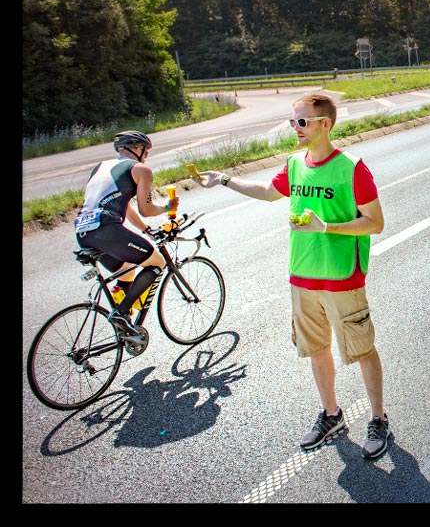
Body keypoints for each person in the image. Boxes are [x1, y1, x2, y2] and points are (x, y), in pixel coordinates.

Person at [197, 93, 392, 459]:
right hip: (302, 276)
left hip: (341, 277)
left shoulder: (352, 167)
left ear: (325, 124)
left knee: (362, 350)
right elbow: (269, 192)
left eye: (302, 122)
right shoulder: (295, 163)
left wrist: (327, 226)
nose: (296, 128)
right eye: (293, 121)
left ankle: (379, 419)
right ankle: (332, 415)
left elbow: (375, 223)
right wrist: (225, 180)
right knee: (315, 349)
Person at [74, 130, 179, 339]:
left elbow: (127, 208)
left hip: (83, 232)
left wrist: (145, 230)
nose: (146, 156)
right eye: (146, 151)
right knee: (156, 263)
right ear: (137, 149)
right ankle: (121, 314)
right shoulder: (141, 169)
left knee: (127, 271)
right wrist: (167, 207)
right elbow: (146, 210)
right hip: (106, 229)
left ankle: (125, 324)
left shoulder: (100, 167)